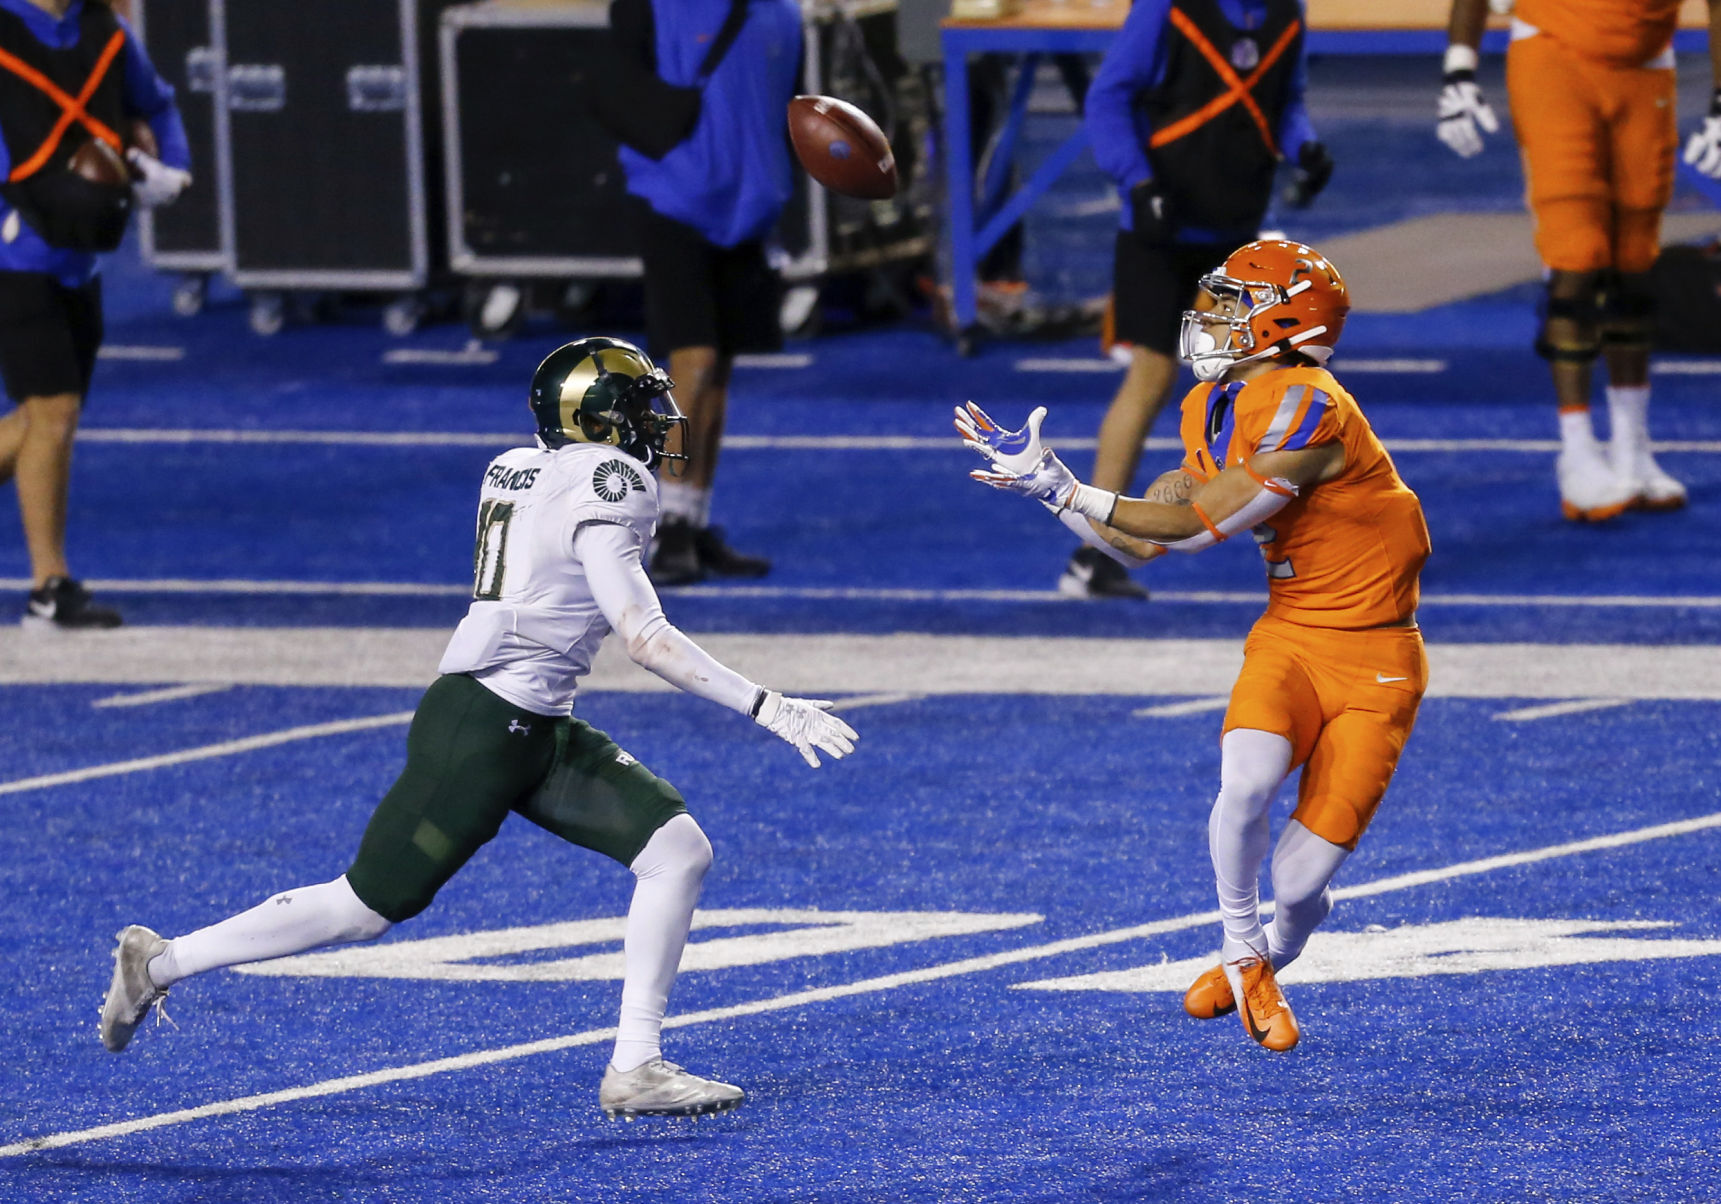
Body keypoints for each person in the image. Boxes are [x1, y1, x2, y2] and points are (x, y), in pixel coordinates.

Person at [100, 338, 859, 1118]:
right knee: (363, 907)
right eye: (638, 407)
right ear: (596, 417)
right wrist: (767, 705)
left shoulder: (517, 465)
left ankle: (636, 1064)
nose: (656, 421)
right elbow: (644, 636)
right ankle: (159, 964)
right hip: (487, 729)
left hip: (531, 722)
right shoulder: (610, 481)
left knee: (677, 850)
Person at [959, 240, 1429, 1052]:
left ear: (1283, 321)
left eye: (1232, 304)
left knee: (1299, 884)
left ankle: (1275, 947)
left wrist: (1073, 489)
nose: (1211, 317)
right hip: (1290, 635)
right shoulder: (1213, 404)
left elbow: (1197, 525)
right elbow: (1144, 542)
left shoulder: (1308, 407)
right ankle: (1242, 950)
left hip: (1377, 661)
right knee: (1243, 784)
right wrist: (1048, 489)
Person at [1071, 0, 1330, 599]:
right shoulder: (1167, 6)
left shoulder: (1285, 11)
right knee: (1152, 376)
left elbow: (1284, 101)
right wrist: (1137, 181)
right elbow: (1108, 98)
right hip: (1160, 228)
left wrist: (1305, 147)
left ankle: (1304, 543)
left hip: (1235, 225)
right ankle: (1093, 553)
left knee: (1267, 381)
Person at [1438, 0, 1721, 519]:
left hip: (1647, 65)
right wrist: (1459, 67)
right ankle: (1578, 449)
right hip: (1556, 55)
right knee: (1579, 254)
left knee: (1635, 262)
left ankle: (1633, 447)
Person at [0, 0, 189, 628]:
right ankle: (48, 587)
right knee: (53, 413)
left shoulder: (105, 30)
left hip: (80, 255)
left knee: (42, 424)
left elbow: (156, 104)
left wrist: (169, 169)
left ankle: (50, 585)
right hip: (14, 251)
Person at [605, 0, 801, 585]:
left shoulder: (780, 13)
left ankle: (692, 520)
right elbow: (623, 89)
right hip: (674, 201)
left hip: (745, 206)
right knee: (695, 358)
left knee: (719, 373)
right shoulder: (648, 6)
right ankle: (667, 527)